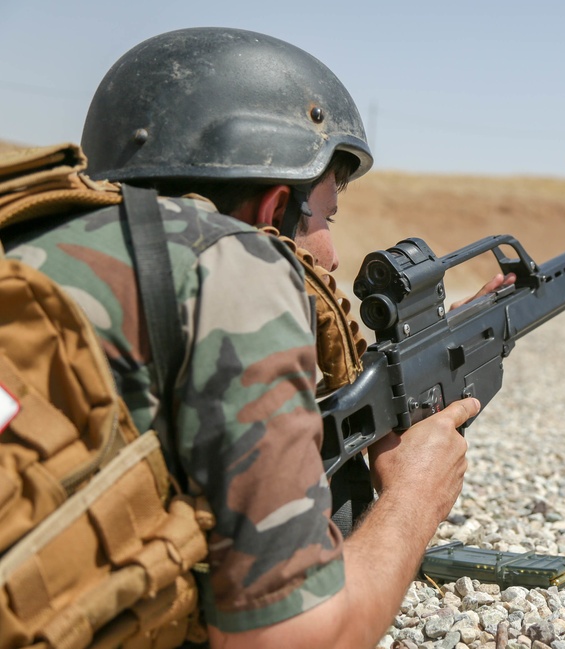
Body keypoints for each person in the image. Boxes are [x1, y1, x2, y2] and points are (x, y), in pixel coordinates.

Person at [6, 27, 508, 649]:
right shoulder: (235, 261)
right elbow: (290, 640)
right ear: (274, 208)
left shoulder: (32, 237)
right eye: (326, 216)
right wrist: (413, 498)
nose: (328, 252)